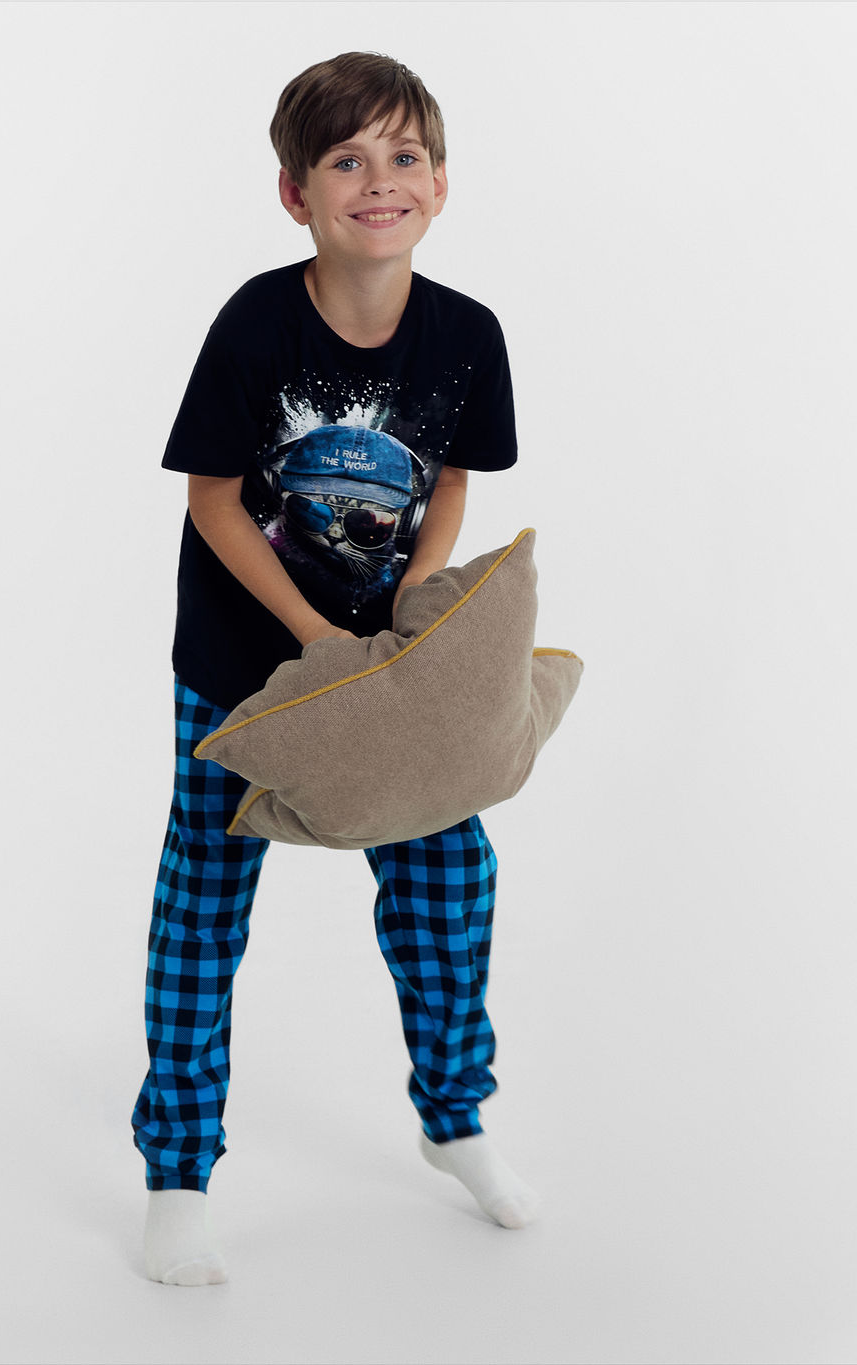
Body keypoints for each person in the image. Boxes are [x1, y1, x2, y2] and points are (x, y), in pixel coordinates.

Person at [132, 51, 539, 1287]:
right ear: (294, 194)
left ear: (441, 185)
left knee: (449, 882)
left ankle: (452, 1118)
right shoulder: (256, 324)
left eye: (403, 156)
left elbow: (452, 476)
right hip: (244, 672)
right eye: (345, 160)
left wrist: (414, 601)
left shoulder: (466, 334)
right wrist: (312, 636)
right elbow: (212, 501)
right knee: (204, 905)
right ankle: (177, 1172)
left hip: (384, 677)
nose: (379, 180)